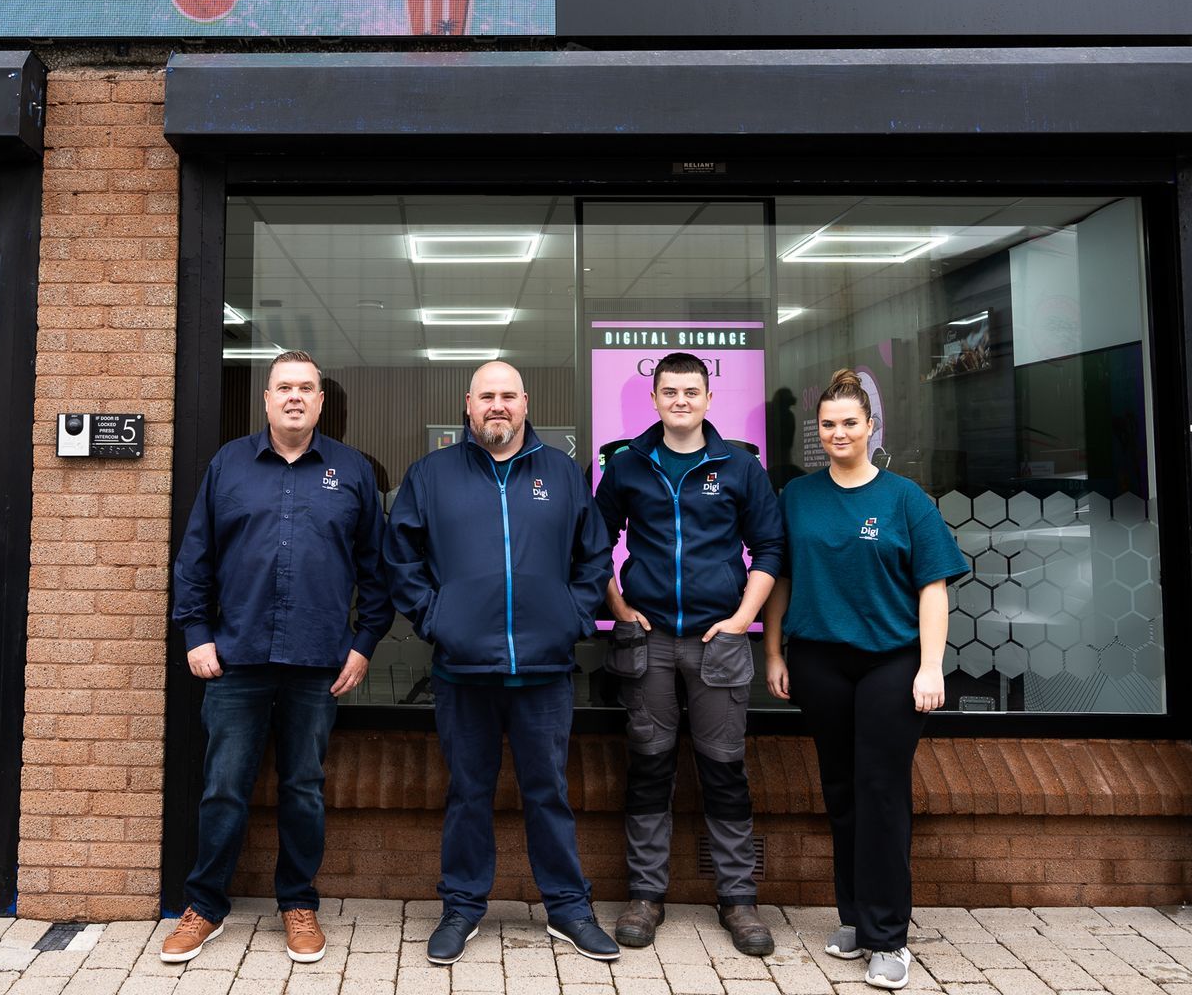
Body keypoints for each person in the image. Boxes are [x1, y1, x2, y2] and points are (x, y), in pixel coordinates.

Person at [385, 360, 620, 966]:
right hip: (463, 670)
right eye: (486, 396)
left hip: (544, 671)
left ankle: (568, 908)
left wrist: (572, 616)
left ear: (525, 402)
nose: (497, 406)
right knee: (468, 793)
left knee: (549, 791)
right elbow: (400, 559)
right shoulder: (431, 475)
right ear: (468, 405)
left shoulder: (563, 474)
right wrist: (437, 619)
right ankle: (462, 907)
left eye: (507, 396)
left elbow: (594, 558)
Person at [163, 351, 393, 965]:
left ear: (322, 402)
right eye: (284, 387)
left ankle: (298, 902)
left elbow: (377, 571)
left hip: (319, 661)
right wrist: (196, 634)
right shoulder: (228, 465)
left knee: (303, 788)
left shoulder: (351, 472)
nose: (295, 397)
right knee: (223, 788)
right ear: (266, 399)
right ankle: (205, 906)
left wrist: (364, 643)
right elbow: (195, 560)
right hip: (234, 657)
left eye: (306, 388)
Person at [760, 369, 965, 991]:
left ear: (872, 427)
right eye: (828, 425)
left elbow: (932, 589)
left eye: (850, 422)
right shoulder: (797, 497)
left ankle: (888, 936)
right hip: (820, 661)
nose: (838, 433)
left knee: (881, 792)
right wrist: (772, 654)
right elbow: (782, 580)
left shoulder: (906, 500)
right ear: (816, 434)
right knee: (842, 789)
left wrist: (931, 667)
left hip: (892, 663)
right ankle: (853, 917)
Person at [593, 351, 784, 954]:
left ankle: (739, 900)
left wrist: (740, 622)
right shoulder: (628, 466)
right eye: (669, 391)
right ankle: (646, 897)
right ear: (653, 399)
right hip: (648, 641)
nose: (680, 400)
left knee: (724, 772)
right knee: (649, 767)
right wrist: (620, 609)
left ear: (708, 399)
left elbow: (771, 547)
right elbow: (593, 543)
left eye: (690, 391)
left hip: (718, 643)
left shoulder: (738, 467)